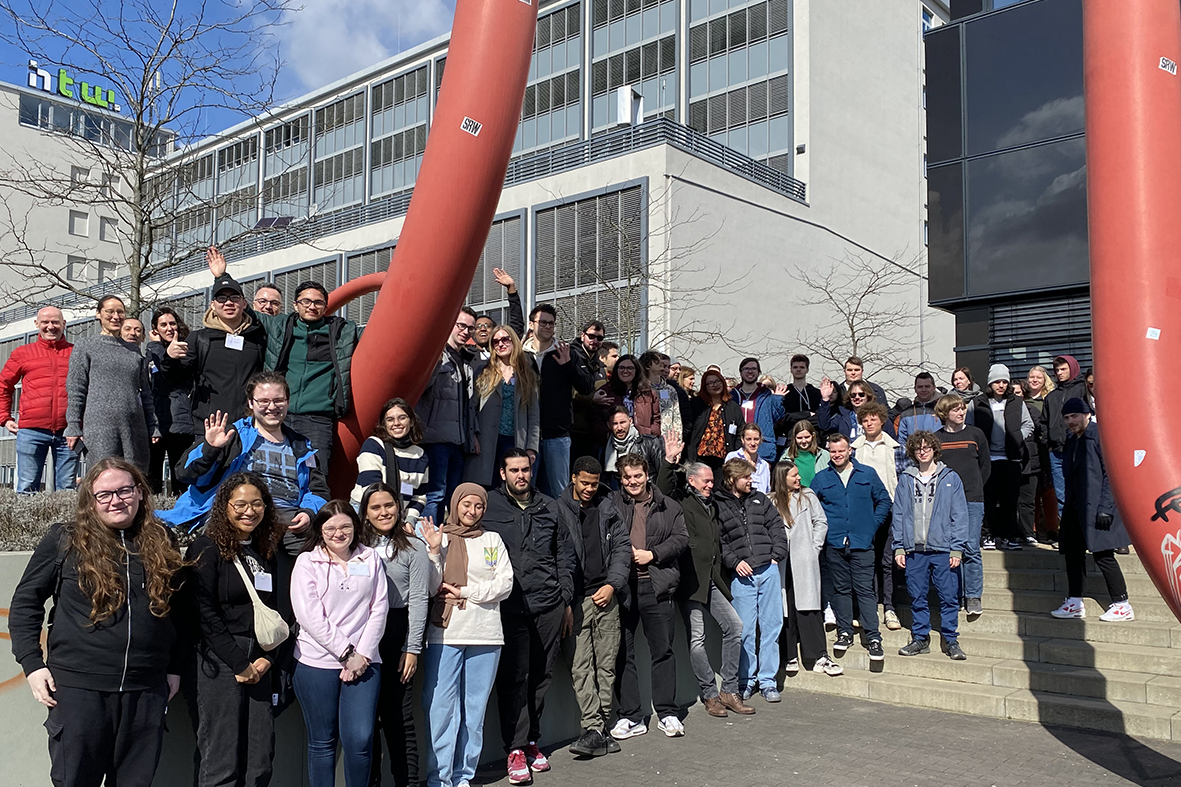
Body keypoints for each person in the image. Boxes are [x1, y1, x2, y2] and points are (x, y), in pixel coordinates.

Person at [9, 458, 185, 787]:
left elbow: (177, 611)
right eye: (104, 494)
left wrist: (174, 667)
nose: (116, 500)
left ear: (141, 493)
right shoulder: (65, 540)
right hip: (79, 691)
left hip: (145, 690)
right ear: (91, 501)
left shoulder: (162, 540)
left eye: (124, 490)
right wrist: (32, 665)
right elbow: (25, 604)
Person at [208, 247, 361, 465]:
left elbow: (381, 335)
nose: (312, 306)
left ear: (326, 306)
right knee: (273, 470)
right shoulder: (280, 325)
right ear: (296, 305)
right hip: (278, 414)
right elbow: (247, 310)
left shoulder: (343, 331)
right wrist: (222, 276)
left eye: (318, 302)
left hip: (317, 419)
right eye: (306, 301)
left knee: (315, 473)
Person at [482, 450, 574, 784]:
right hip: (509, 607)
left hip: (547, 604)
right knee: (514, 678)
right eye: (514, 470)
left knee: (541, 676)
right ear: (503, 473)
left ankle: (532, 740)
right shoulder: (489, 506)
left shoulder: (550, 505)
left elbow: (564, 553)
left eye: (526, 469)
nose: (521, 475)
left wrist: (564, 597)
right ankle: (515, 748)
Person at [188, 472, 285, 787]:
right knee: (220, 757)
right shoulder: (206, 548)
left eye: (257, 504)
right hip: (218, 662)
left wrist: (267, 658)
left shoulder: (266, 550)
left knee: (259, 756)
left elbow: (278, 609)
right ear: (224, 506)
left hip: (259, 660)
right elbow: (203, 612)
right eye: (240, 504)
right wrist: (238, 663)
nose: (249, 511)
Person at [420, 484, 514, 787]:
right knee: (441, 709)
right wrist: (434, 552)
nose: (472, 511)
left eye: (478, 506)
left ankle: (463, 776)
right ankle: (439, 778)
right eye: (466, 505)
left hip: (486, 634)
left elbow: (505, 584)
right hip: (445, 634)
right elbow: (432, 585)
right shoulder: (439, 537)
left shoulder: (492, 540)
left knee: (474, 711)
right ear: (455, 504)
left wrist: (465, 591)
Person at [291, 500, 389, 787]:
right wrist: (346, 653)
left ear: (355, 527)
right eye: (330, 527)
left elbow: (379, 608)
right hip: (316, 662)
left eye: (345, 526)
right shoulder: (307, 562)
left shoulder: (369, 558)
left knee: (360, 738)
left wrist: (362, 655)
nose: (338, 533)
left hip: (365, 662)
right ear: (320, 530)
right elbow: (308, 615)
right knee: (323, 741)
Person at [162, 372, 329, 538]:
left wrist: (308, 513)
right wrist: (210, 449)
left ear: (287, 402)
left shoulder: (302, 446)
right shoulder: (231, 436)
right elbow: (185, 473)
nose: (271, 407)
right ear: (251, 403)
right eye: (263, 401)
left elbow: (317, 490)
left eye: (278, 400)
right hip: (240, 516)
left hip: (288, 521)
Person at [554, 456, 631, 758]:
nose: (589, 488)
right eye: (584, 482)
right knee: (580, 665)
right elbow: (557, 558)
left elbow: (623, 549)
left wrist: (612, 585)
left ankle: (601, 728)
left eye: (594, 483)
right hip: (577, 601)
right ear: (573, 478)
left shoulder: (609, 508)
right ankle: (593, 727)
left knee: (606, 664)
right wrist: (565, 601)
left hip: (607, 596)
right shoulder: (558, 510)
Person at [610, 453, 689, 740]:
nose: (632, 481)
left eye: (637, 476)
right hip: (623, 588)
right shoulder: (612, 504)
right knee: (622, 653)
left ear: (647, 476)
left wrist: (652, 555)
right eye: (627, 477)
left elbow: (681, 539)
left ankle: (667, 712)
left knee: (663, 652)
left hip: (657, 585)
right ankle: (631, 716)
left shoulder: (669, 506)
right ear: (621, 478)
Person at [672, 462, 755, 718]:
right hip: (690, 581)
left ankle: (729, 691)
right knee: (697, 639)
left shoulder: (712, 504)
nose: (710, 485)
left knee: (734, 626)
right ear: (692, 481)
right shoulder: (682, 500)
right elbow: (665, 486)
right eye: (706, 481)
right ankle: (709, 693)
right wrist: (668, 462)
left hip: (710, 578)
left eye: (711, 480)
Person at [360, 482, 430, 787]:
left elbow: (418, 599)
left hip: (398, 632)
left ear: (398, 508)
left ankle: (409, 783)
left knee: (399, 719)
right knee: (365, 721)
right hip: (361, 636)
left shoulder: (414, 547)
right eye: (375, 507)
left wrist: (411, 648)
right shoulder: (355, 546)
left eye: (389, 505)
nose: (383, 512)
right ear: (364, 513)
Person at [1051, 399, 1135, 622]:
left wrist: (1106, 507)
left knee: (1104, 555)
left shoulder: (1098, 436)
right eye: (1067, 418)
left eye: (1075, 416)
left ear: (1087, 414)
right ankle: (1075, 601)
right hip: (1075, 507)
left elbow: (1111, 473)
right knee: (1073, 554)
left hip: (1098, 507)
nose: (1071, 421)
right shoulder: (1072, 440)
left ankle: (1122, 603)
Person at [811, 433, 892, 662]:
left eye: (841, 451)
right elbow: (811, 506)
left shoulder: (867, 473)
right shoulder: (821, 478)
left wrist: (871, 526)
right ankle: (844, 632)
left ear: (850, 451)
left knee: (865, 590)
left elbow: (884, 500)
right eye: (833, 451)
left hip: (862, 543)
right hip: (835, 543)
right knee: (841, 590)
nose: (837, 455)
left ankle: (873, 637)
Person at [161, 269, 267, 441]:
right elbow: (176, 379)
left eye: (234, 297)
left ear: (244, 303)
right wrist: (170, 358)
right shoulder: (200, 339)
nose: (228, 303)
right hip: (208, 428)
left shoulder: (258, 338)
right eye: (221, 298)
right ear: (213, 305)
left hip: (251, 426)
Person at [715, 458, 788, 701]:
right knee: (745, 631)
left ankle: (768, 681)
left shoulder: (761, 500)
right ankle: (746, 680)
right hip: (742, 577)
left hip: (768, 571)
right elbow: (720, 542)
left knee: (771, 627)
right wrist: (735, 562)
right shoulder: (719, 505)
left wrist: (777, 555)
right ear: (733, 479)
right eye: (746, 477)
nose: (751, 480)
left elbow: (777, 527)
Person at [892, 432, 969, 660]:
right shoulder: (906, 478)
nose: (922, 451)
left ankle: (951, 640)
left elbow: (960, 515)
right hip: (914, 550)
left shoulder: (950, 478)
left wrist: (957, 548)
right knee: (917, 596)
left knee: (948, 597)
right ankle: (920, 638)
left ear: (934, 449)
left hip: (944, 548)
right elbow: (898, 514)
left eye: (926, 447)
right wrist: (898, 547)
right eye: (917, 449)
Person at [65, 295, 159, 471]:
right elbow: (76, 388)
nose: (116, 316)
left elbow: (145, 392)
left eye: (120, 312)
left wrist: (153, 425)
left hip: (133, 425)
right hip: (100, 425)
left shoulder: (133, 350)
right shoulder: (86, 346)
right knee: (103, 475)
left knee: (133, 476)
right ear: (98, 314)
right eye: (110, 311)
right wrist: (73, 424)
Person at [772, 460, 842, 676]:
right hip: (782, 564)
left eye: (798, 474)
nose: (799, 478)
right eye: (794, 475)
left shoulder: (808, 496)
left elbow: (821, 522)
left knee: (810, 609)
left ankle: (820, 655)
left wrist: (814, 548)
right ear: (783, 478)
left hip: (804, 560)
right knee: (786, 610)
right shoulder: (771, 501)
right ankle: (789, 655)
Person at [0, 305, 77, 493]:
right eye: (45, 322)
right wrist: (4, 418)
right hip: (31, 431)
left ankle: (64, 524)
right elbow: (4, 386)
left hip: (69, 431)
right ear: (37, 324)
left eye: (55, 322)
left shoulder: (77, 353)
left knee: (67, 490)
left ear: (64, 324)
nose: (50, 326)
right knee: (26, 487)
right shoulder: (22, 353)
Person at [524, 304, 593, 498]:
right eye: (543, 322)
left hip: (557, 434)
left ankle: (563, 528)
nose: (547, 327)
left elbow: (587, 387)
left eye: (551, 323)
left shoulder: (565, 351)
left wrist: (569, 366)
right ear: (531, 324)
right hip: (528, 435)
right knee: (527, 490)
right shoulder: (521, 354)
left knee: (559, 492)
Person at [420, 307, 480, 522]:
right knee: (435, 494)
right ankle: (428, 542)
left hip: (458, 440)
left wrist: (471, 435)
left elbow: (468, 405)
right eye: (461, 325)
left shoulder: (465, 362)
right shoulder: (436, 355)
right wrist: (435, 361)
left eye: (470, 328)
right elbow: (421, 387)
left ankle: (448, 542)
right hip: (435, 438)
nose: (465, 331)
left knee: (454, 496)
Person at [934, 394, 991, 617]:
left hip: (972, 499)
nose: (961, 412)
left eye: (963, 408)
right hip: (945, 501)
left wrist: (975, 487)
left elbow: (985, 467)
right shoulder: (936, 438)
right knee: (950, 548)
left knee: (970, 548)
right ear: (944, 413)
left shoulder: (976, 434)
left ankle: (973, 595)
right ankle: (954, 595)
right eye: (956, 409)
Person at [849, 402, 903, 632]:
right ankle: (867, 608)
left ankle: (889, 608)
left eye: (873, 419)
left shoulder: (895, 448)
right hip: (863, 513)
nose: (869, 423)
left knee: (887, 560)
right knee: (865, 562)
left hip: (889, 510)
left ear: (882, 420)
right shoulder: (854, 449)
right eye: (865, 420)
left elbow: (901, 481)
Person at [465, 326, 540, 488]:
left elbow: (534, 416)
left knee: (512, 485)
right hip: (487, 440)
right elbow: (472, 408)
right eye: (496, 341)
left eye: (505, 339)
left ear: (514, 341)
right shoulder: (483, 371)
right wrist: (473, 436)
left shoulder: (527, 374)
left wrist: (532, 448)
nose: (501, 344)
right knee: (487, 485)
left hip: (516, 439)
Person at [973, 364, 1034, 551]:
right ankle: (989, 534)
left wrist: (1016, 438)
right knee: (989, 499)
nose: (1000, 385)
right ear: (990, 383)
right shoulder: (978, 403)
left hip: (1011, 459)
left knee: (1010, 500)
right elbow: (970, 426)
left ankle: (1009, 536)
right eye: (997, 381)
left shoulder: (1016, 401)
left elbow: (1028, 425)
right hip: (988, 459)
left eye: (1004, 382)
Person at [351, 397, 430, 522]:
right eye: (390, 419)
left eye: (402, 418)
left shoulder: (420, 455)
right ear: (384, 424)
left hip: (401, 516)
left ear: (411, 421)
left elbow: (419, 497)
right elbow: (372, 490)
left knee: (432, 537)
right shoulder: (373, 445)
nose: (396, 423)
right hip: (367, 511)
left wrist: (410, 519)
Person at [145, 307, 195, 495]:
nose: (169, 328)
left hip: (179, 424)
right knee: (152, 478)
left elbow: (169, 372)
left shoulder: (185, 348)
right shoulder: (152, 353)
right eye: (163, 324)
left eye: (172, 323)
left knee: (180, 477)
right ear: (155, 329)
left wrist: (155, 346)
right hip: (156, 423)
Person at [1044, 355, 1088, 518]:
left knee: (1081, 487)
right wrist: (1047, 441)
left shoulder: (1081, 389)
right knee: (1061, 493)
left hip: (1077, 446)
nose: (1059, 373)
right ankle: (1067, 529)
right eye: (1057, 370)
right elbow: (1044, 421)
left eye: (1063, 369)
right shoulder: (1051, 396)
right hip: (1055, 450)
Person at [603, 406, 678, 493]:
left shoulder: (649, 443)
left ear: (630, 421)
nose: (619, 428)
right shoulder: (605, 449)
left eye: (622, 422)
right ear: (609, 425)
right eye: (615, 424)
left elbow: (666, 475)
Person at [731, 357, 788, 462]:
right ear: (740, 372)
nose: (750, 371)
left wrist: (777, 399)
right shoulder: (732, 396)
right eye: (746, 368)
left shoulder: (767, 395)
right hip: (737, 447)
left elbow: (778, 418)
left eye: (753, 369)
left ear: (758, 372)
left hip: (761, 449)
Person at [686, 369, 743, 471]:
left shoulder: (733, 407)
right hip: (700, 458)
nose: (715, 385)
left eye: (717, 381)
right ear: (705, 386)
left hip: (724, 460)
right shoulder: (696, 404)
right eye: (710, 383)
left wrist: (735, 454)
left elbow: (740, 432)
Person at [595, 353, 659, 438]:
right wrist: (607, 435)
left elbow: (656, 418)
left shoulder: (647, 392)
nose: (625, 371)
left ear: (637, 370)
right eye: (621, 368)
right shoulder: (605, 391)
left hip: (643, 442)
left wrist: (651, 433)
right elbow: (596, 418)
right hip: (614, 443)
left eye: (630, 368)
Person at [570, 320, 608, 463]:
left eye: (599, 338)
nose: (595, 341)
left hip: (593, 431)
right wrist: (591, 398)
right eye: (591, 336)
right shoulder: (571, 357)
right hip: (574, 429)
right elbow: (567, 391)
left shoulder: (600, 365)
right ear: (582, 336)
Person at [472, 267, 526, 357]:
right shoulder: (466, 356)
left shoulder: (502, 351)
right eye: (478, 326)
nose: (483, 329)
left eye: (487, 326)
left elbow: (517, 324)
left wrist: (511, 289)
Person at [641, 350, 690, 447]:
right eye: (657, 361)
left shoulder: (671, 390)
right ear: (647, 366)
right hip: (647, 442)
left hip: (668, 442)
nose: (661, 364)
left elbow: (677, 420)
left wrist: (678, 444)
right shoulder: (640, 389)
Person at [894, 372, 943, 467]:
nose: (924, 389)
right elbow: (902, 442)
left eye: (927, 386)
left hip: (939, 461)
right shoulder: (906, 414)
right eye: (920, 387)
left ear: (934, 387)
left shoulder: (942, 411)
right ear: (915, 389)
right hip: (913, 463)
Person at [725, 422, 771, 493]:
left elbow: (767, 491)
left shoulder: (764, 465)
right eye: (749, 439)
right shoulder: (733, 457)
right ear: (742, 440)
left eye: (756, 439)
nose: (753, 443)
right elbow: (728, 484)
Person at [781, 420, 830, 487]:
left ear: (813, 435)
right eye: (799, 438)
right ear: (794, 437)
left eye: (807, 437)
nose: (803, 441)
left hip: (818, 495)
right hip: (796, 494)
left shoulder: (825, 455)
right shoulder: (786, 457)